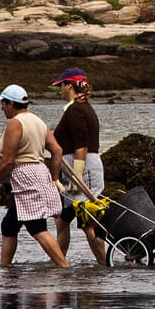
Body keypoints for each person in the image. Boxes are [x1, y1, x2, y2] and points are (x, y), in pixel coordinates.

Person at [0, 84, 68, 267]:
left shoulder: (15, 123)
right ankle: (6, 269)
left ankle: (63, 266)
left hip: (24, 177)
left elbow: (9, 160)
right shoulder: (38, 121)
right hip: (39, 173)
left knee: (36, 227)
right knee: (9, 225)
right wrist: (54, 178)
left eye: (3, 103)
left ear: (11, 103)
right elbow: (57, 151)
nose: (1, 107)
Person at [50, 68, 107, 265]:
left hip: (83, 168)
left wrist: (77, 176)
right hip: (79, 167)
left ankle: (104, 262)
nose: (60, 90)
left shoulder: (75, 110)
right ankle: (59, 261)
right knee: (62, 220)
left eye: (61, 86)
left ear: (69, 86)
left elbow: (81, 146)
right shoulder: (83, 107)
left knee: (87, 221)